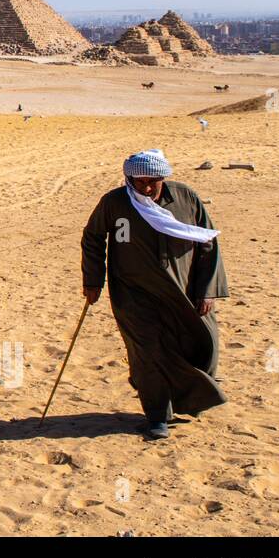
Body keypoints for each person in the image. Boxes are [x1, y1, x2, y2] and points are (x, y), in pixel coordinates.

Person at [81, 149, 229, 440]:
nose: (147, 188)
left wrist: (208, 290)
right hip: (133, 295)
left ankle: (189, 398)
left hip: (183, 293)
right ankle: (157, 416)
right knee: (148, 353)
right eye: (139, 182)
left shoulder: (185, 198)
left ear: (164, 178)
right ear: (128, 178)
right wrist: (94, 279)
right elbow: (93, 237)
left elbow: (208, 243)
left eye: (154, 181)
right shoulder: (115, 202)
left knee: (202, 344)